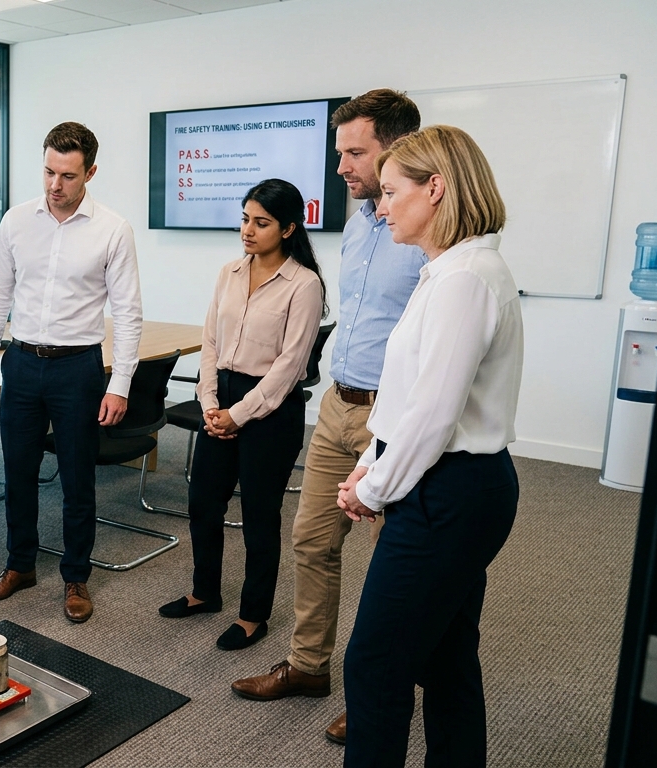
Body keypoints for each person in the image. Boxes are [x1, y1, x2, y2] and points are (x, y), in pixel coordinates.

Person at [229, 90, 427, 746]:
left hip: (392, 420)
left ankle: (380, 696)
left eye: (354, 152)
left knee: (393, 568)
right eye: (339, 151)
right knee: (312, 542)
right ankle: (310, 668)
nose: (340, 165)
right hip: (339, 405)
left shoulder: (428, 230)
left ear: (396, 149)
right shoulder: (363, 221)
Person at [338, 125, 523, 766]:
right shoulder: (445, 270)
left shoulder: (463, 279)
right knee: (444, 659)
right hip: (447, 486)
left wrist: (373, 487)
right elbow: (404, 393)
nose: (380, 206)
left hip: (452, 491)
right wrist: (369, 464)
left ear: (435, 187)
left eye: (391, 191)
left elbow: (436, 415)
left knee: (373, 666)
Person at [0, 121, 142, 624]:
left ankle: (76, 576)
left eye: (67, 175)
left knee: (76, 477)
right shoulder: (16, 221)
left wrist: (121, 383)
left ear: (89, 172)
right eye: (48, 171)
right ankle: (19, 565)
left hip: (78, 369)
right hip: (22, 362)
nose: (54, 184)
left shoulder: (113, 229)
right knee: (17, 472)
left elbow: (128, 313)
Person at [157, 179, 325, 652]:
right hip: (222, 398)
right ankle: (204, 592)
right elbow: (210, 342)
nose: (247, 230)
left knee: (259, 515)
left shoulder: (304, 284)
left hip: (269, 410)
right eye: (245, 219)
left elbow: (290, 368)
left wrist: (239, 414)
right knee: (203, 503)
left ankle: (254, 615)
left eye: (261, 222)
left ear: (289, 228)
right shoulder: (229, 271)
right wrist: (211, 405)